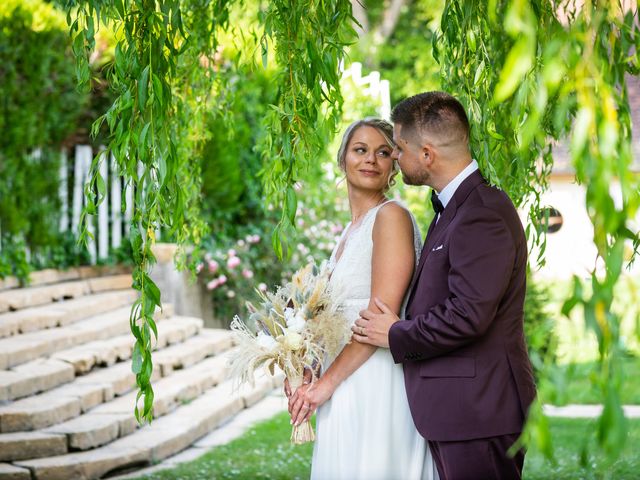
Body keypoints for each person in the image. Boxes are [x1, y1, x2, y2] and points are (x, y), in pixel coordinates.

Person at [352, 92, 537, 480]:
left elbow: (468, 315)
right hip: (460, 412)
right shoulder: (454, 209)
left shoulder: (481, 214)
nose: (395, 158)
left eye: (399, 148)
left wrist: (396, 333)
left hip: (479, 412)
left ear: (427, 154)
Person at [286, 118, 439, 480]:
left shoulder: (391, 217)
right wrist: (305, 368)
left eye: (383, 152)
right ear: (343, 160)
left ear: (394, 166)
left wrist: (323, 386)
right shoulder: (350, 231)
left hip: (376, 381)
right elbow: (332, 317)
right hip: (343, 380)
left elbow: (378, 315)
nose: (371, 159)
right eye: (360, 150)